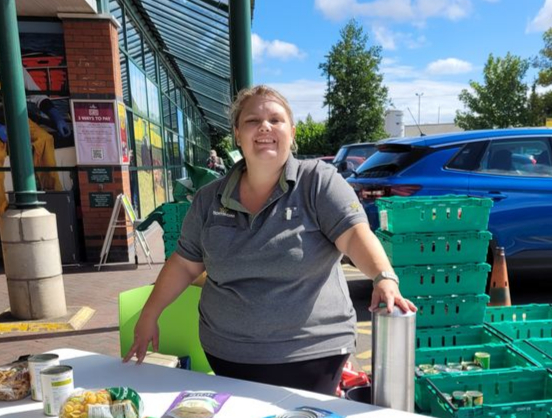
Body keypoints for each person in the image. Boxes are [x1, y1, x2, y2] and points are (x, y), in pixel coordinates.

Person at [123, 85, 416, 395]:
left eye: (276, 120)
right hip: (227, 356)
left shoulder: (317, 181)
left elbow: (355, 235)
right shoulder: (209, 198)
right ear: (238, 134)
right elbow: (184, 264)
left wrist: (384, 277)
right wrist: (149, 315)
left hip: (313, 357)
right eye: (252, 121)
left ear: (291, 131)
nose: (264, 126)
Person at [0, 68, 70, 214]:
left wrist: (56, 116)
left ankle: (52, 193)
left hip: (16, 115)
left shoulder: (15, 67)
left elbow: (37, 96)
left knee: (44, 139)